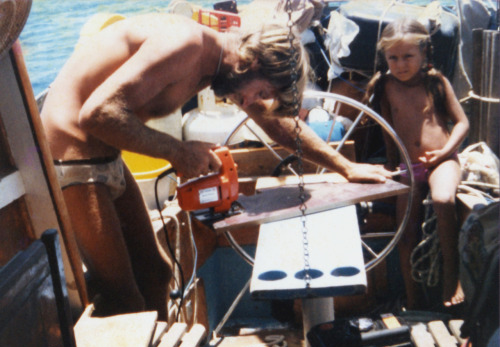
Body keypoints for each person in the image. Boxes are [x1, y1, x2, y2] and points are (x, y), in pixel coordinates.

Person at [41, 13, 391, 319]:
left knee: (157, 273)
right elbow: (98, 114)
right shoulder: (185, 46)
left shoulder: (225, 68)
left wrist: (345, 166)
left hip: (107, 155)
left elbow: (277, 123)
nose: (253, 102)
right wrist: (179, 152)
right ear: (252, 61)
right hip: (72, 156)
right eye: (262, 91)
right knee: (124, 296)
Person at [365, 18, 469, 309]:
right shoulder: (384, 86)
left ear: (424, 53)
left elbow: (462, 122)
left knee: (443, 199)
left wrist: (446, 150)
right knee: (405, 234)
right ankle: (414, 300)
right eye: (393, 58)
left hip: (444, 160)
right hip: (409, 167)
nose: (400, 64)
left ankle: (452, 278)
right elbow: (387, 129)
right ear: (384, 58)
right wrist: (390, 165)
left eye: (408, 56)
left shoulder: (437, 82)